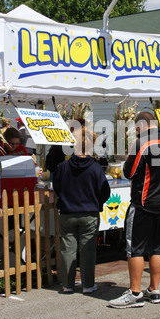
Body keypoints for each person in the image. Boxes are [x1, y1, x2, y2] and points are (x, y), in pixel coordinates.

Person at [108, 111, 160, 308]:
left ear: (140, 125)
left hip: (144, 205)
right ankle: (154, 289)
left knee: (136, 250)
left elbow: (129, 172)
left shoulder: (143, 142)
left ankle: (134, 293)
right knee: (159, 249)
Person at [53, 126, 110, 294]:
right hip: (89, 213)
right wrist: (96, 202)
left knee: (67, 250)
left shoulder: (63, 166)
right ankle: (88, 285)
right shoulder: (95, 168)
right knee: (88, 250)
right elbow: (104, 191)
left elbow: (57, 187)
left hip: (67, 213)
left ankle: (68, 284)